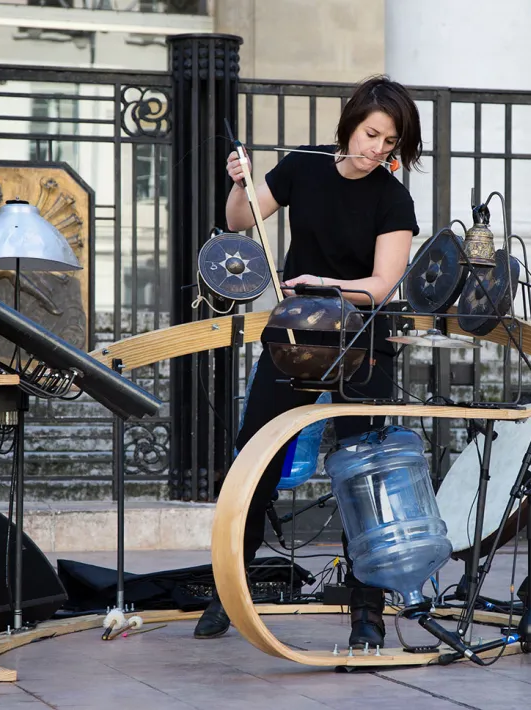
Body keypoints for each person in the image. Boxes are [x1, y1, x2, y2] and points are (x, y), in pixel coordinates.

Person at [193, 75, 423, 649]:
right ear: (350, 124)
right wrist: (240, 183)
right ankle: (229, 592)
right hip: (296, 335)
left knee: (360, 470)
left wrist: (325, 283)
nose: (377, 149)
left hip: (364, 342)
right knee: (256, 459)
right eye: (372, 134)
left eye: (390, 143)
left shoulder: (393, 197)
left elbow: (381, 285)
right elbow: (242, 220)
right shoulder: (304, 165)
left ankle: (367, 612)